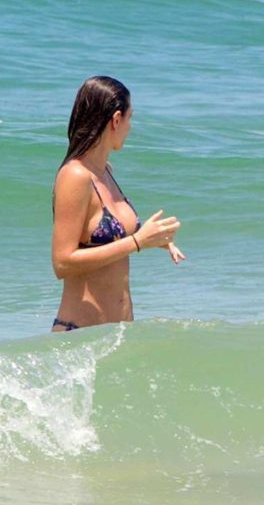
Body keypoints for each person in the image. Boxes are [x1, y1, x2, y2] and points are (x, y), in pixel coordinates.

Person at [51, 76, 185, 331]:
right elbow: (62, 262)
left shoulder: (105, 171)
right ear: (115, 120)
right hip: (79, 337)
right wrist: (137, 242)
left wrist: (154, 237)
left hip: (117, 335)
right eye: (130, 118)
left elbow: (105, 233)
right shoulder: (75, 176)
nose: (130, 127)